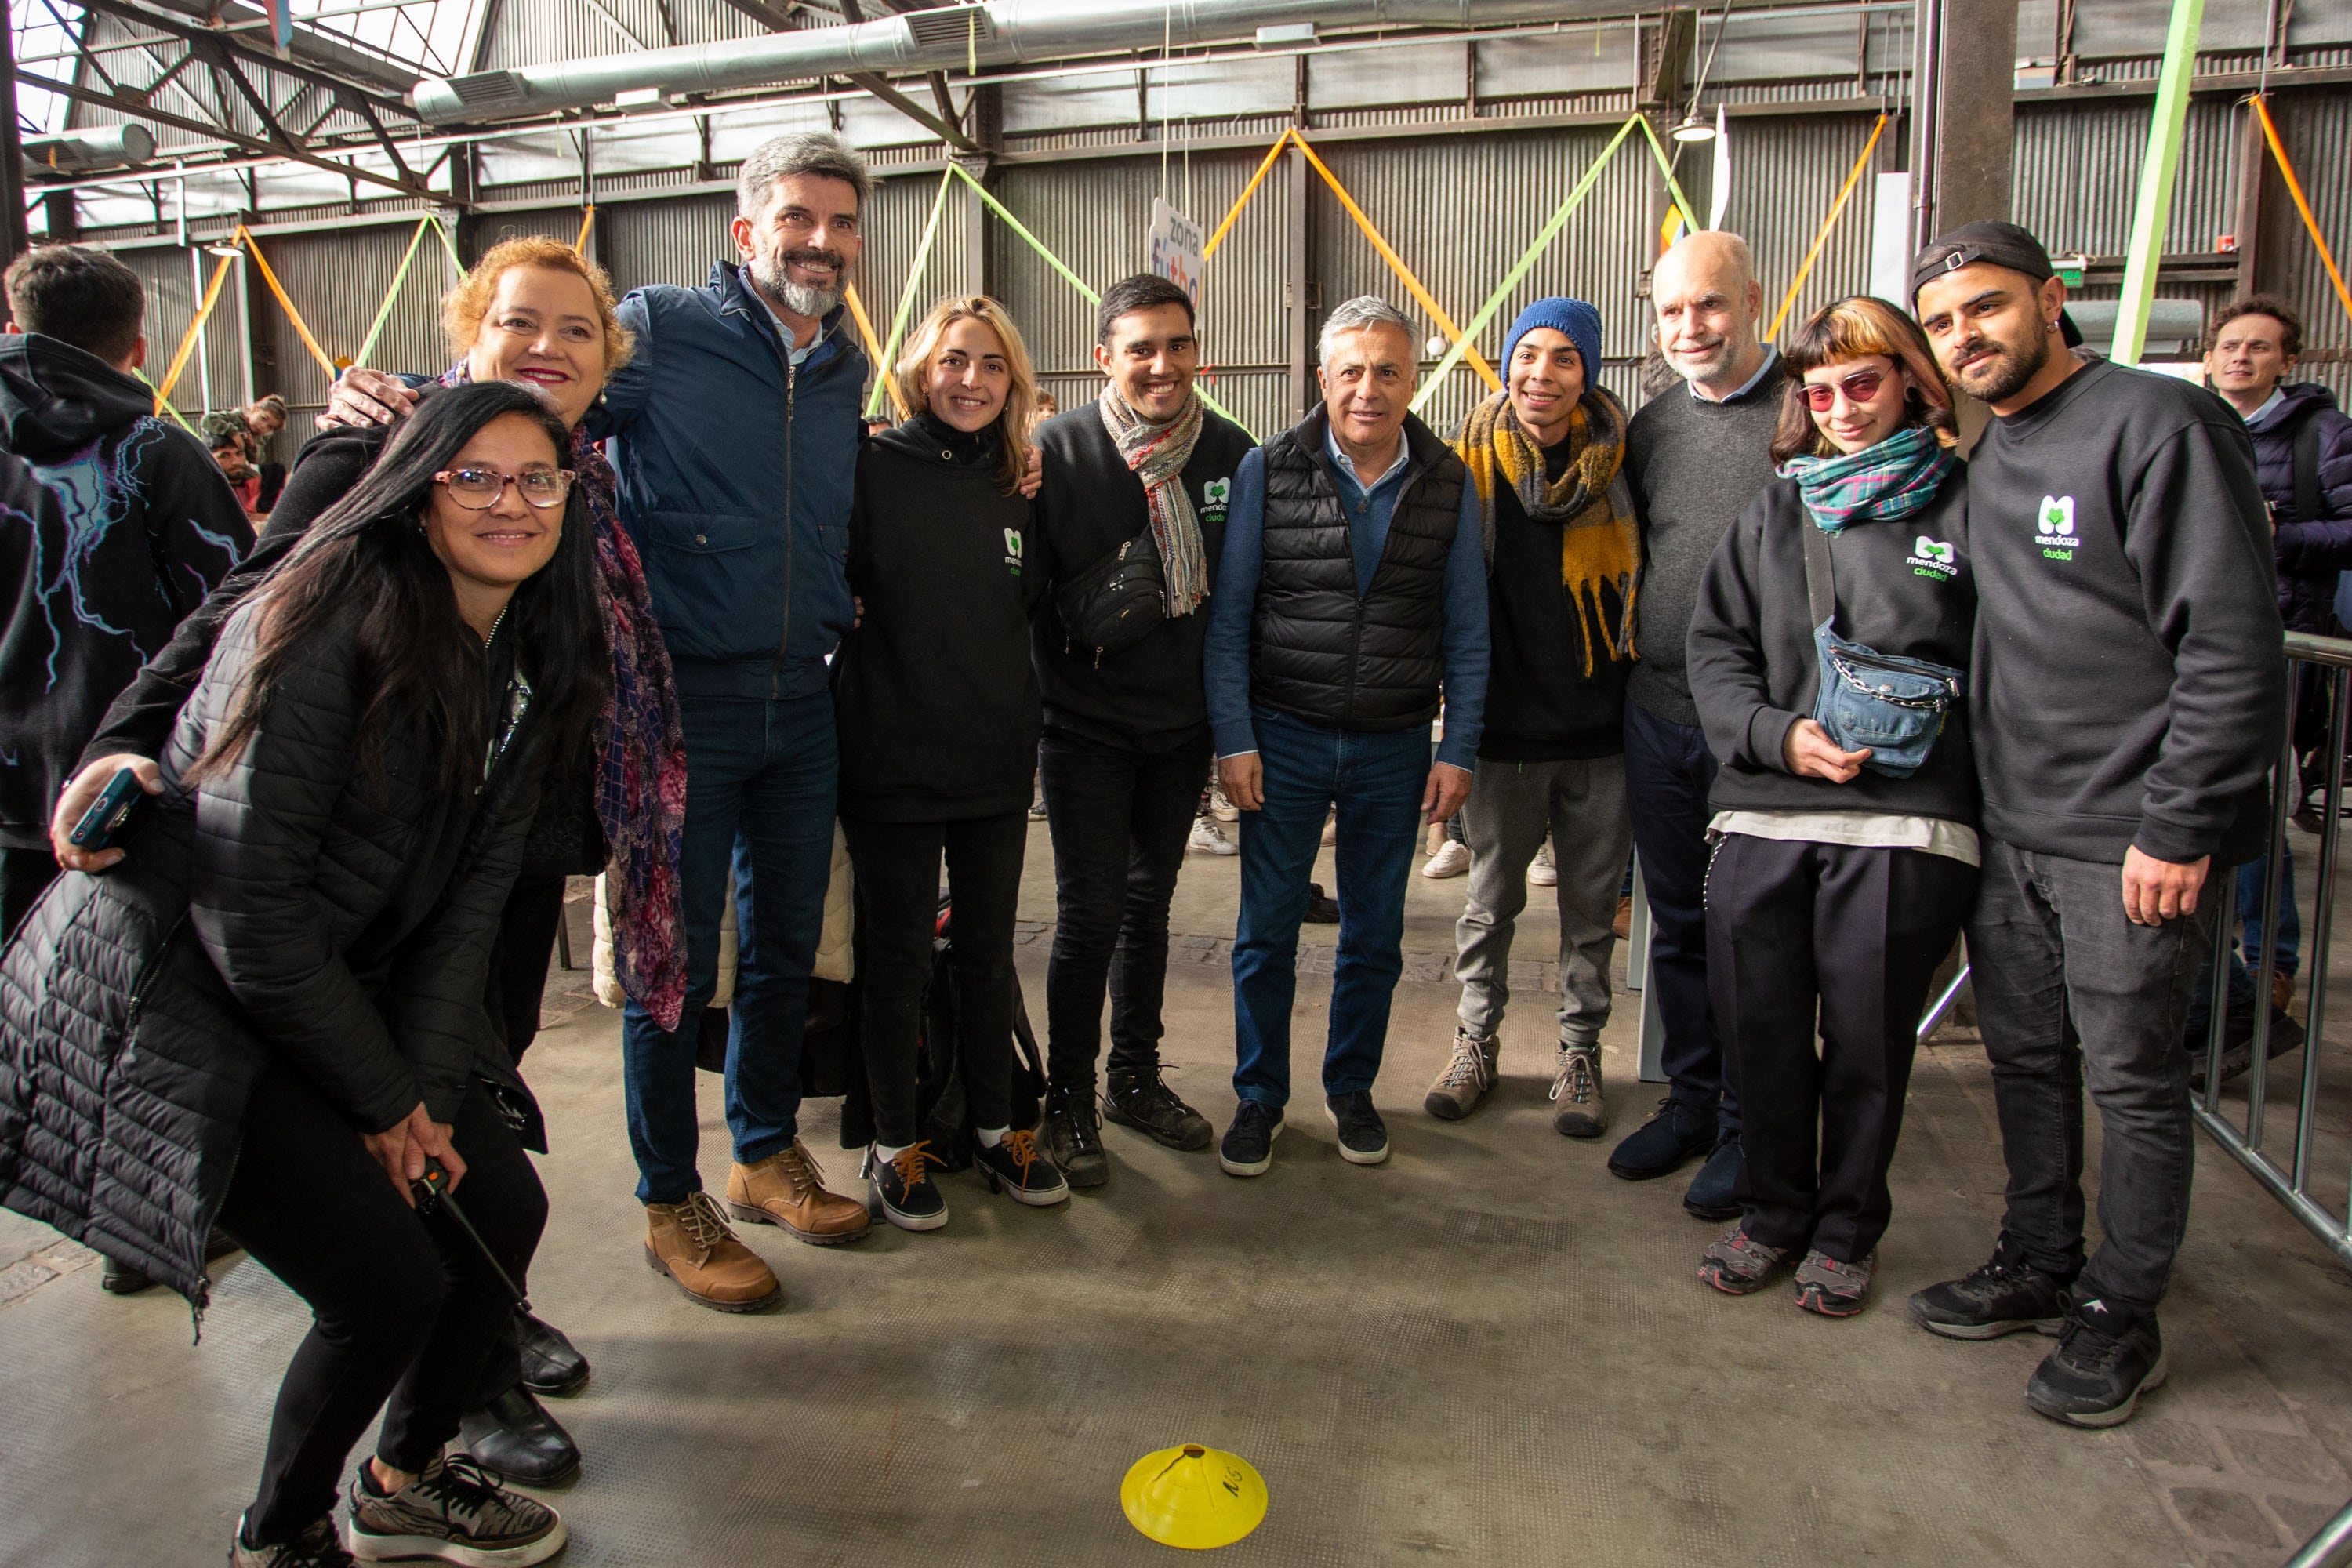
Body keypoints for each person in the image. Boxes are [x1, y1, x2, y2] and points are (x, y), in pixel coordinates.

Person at [59, 234, 687, 1482]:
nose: (548, 349)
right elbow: (246, 605)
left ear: (607, 362)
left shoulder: (586, 476)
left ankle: (478, 1318)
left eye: (576, 331)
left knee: (477, 1103)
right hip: (359, 873)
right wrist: (125, 739)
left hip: (500, 850)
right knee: (397, 1132)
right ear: (471, 329)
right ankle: (465, 1383)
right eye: (521, 323)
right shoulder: (382, 448)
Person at [2, 380, 604, 1567]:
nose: (511, 504)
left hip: (331, 977)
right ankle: (279, 1536)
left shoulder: (530, 656)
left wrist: (423, 1093)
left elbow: (469, 906)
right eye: (473, 477)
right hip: (183, 993)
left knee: (497, 1212)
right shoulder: (327, 620)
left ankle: (407, 1479)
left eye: (538, 479)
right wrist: (381, 1107)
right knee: (384, 1283)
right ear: (414, 493)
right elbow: (252, 907)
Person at [326, 132, 879, 1309]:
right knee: (668, 962)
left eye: (840, 223)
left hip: (804, 694)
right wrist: (399, 405)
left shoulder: (840, 367)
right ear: (746, 231)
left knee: (786, 945)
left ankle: (764, 1144)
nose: (820, 242)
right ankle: (667, 1195)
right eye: (797, 219)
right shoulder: (665, 329)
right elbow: (530, 401)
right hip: (679, 702)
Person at [1907, 221, 2285, 1427]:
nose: (1967, 336)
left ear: (2051, 299)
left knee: (2131, 1077)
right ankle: (2039, 1258)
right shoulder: (1988, 450)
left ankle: (2124, 1308)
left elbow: (2229, 646)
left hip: (2127, 839)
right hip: (2012, 827)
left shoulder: (2157, 426)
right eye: (1945, 321)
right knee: (2025, 1057)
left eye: (1987, 307)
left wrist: (2179, 827)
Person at [1685, 296, 1976, 1317]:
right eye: (1821, 391)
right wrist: (1778, 736)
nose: (1843, 408)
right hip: (1767, 810)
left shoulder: (1966, 505)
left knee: (1868, 1038)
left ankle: (1848, 1228)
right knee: (1758, 1027)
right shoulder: (1776, 508)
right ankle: (1773, 1211)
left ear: (1910, 382)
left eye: (1864, 383)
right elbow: (1714, 648)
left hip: (1908, 823)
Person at [1205, 294, 1488, 1178]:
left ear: (1413, 381)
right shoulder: (1268, 468)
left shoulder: (1447, 478)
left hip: (1394, 744)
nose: (1370, 388)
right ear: (1322, 377)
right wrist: (1234, 736)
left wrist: (1458, 746)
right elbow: (1232, 617)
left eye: (1389, 371)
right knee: (1265, 930)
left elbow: (1468, 630)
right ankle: (1260, 1096)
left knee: (1375, 932)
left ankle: (1352, 1088)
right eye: (1352, 370)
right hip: (1282, 737)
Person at [835, 296, 1068, 1228]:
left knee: (984, 953)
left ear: (1013, 380)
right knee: (893, 961)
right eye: (954, 361)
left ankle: (996, 1126)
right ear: (922, 369)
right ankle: (895, 1144)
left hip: (994, 760)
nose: (971, 380)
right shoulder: (870, 467)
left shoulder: (1024, 484)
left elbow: (1034, 606)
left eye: (992, 365)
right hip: (890, 756)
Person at [1029, 274, 1254, 1189]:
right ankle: (1067, 1098)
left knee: (1149, 904)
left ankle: (1133, 1077)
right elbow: (1021, 593)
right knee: (1090, 913)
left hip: (1178, 729)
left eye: (1178, 345)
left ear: (1198, 348)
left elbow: (1243, 601)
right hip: (1081, 725)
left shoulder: (1233, 454)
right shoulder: (1056, 451)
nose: (1162, 365)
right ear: (1104, 357)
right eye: (1141, 349)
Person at [1426, 297, 1638, 1138]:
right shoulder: (1461, 466)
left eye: (1562, 359)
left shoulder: (1626, 462)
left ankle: (1579, 1052)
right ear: (1505, 362)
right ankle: (1475, 1040)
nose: (1540, 375)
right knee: (1489, 902)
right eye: (1526, 355)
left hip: (1603, 733)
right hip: (1502, 734)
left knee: (1590, 911)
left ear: (1587, 374)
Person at [0, 244, 251, 938]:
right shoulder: (157, 451)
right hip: (126, 791)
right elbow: (240, 616)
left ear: (16, 331)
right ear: (139, 346)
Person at [1612, 230, 1786, 1219]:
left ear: (1753, 299)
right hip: (1658, 715)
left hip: (1757, 730)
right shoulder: (1654, 426)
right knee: (1677, 927)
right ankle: (1692, 1097)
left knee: (1750, 936)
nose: (1690, 328)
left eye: (1709, 306)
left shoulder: (1807, 412)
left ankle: (1749, 1130)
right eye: (1672, 311)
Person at [2201, 296, 2352, 1025]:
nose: (2241, 357)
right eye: (2230, 345)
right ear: (2209, 357)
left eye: (2259, 347)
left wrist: (2278, 532)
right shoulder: (2193, 427)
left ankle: (2269, 962)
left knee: (2255, 802)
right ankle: (2220, 969)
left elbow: (2349, 532)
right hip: (2197, 644)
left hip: (2282, 643)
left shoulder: (2320, 435)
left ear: (2286, 361)